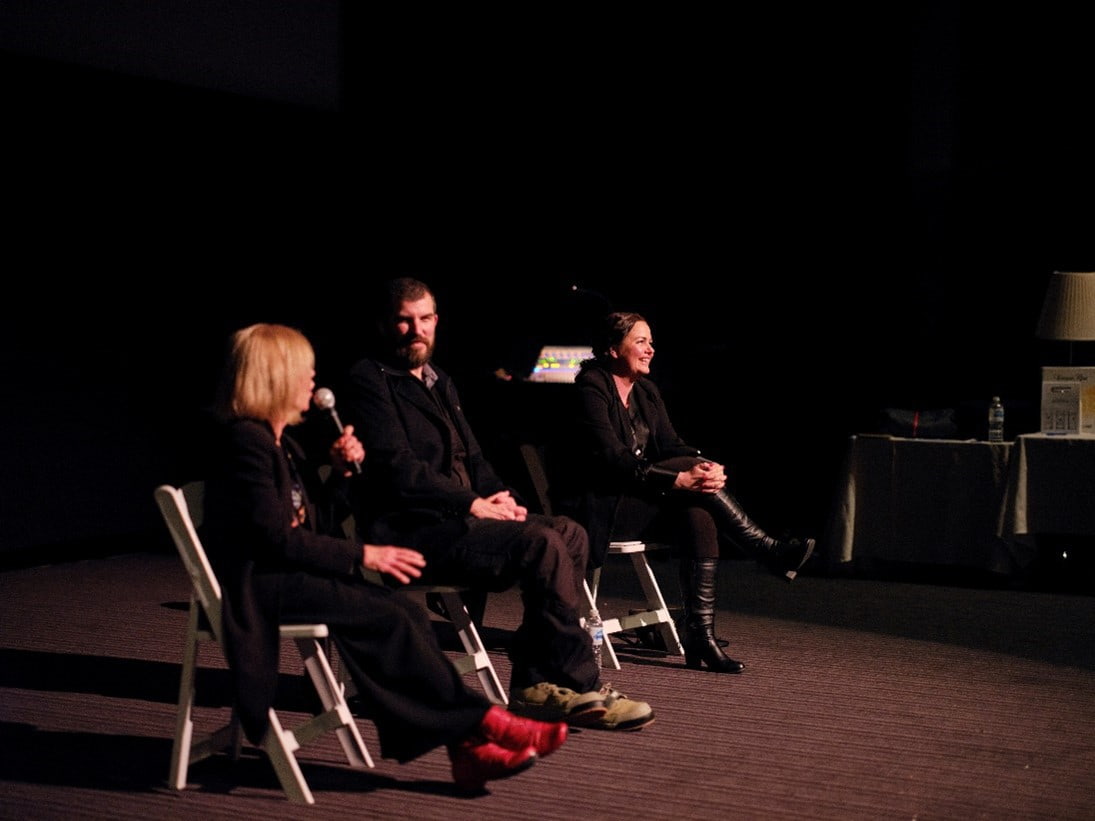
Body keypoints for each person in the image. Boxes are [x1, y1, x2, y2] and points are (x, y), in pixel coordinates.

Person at [199, 322, 570, 793]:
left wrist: (339, 475)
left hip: (286, 575)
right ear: (276, 376)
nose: (314, 382)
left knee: (401, 613)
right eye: (305, 372)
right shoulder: (246, 443)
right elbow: (276, 540)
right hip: (260, 586)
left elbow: (311, 525)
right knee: (390, 615)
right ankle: (485, 723)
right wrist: (364, 554)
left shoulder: (278, 443)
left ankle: (466, 746)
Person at [341, 277, 655, 731]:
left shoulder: (438, 380)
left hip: (462, 521)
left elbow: (475, 457)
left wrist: (499, 496)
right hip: (413, 530)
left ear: (436, 321)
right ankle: (581, 684)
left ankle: (533, 684)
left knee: (569, 531)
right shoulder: (369, 380)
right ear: (385, 325)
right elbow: (398, 469)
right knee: (542, 544)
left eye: (424, 319)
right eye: (404, 321)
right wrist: (472, 503)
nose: (416, 330)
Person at [571, 311, 816, 674]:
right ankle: (766, 549)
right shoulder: (592, 386)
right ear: (611, 348)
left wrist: (705, 465)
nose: (651, 349)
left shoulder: (646, 391)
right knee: (690, 487)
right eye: (641, 341)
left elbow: (672, 446)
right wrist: (677, 480)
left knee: (698, 513)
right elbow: (612, 459)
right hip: (603, 508)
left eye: (651, 341)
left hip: (641, 501)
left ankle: (701, 635)